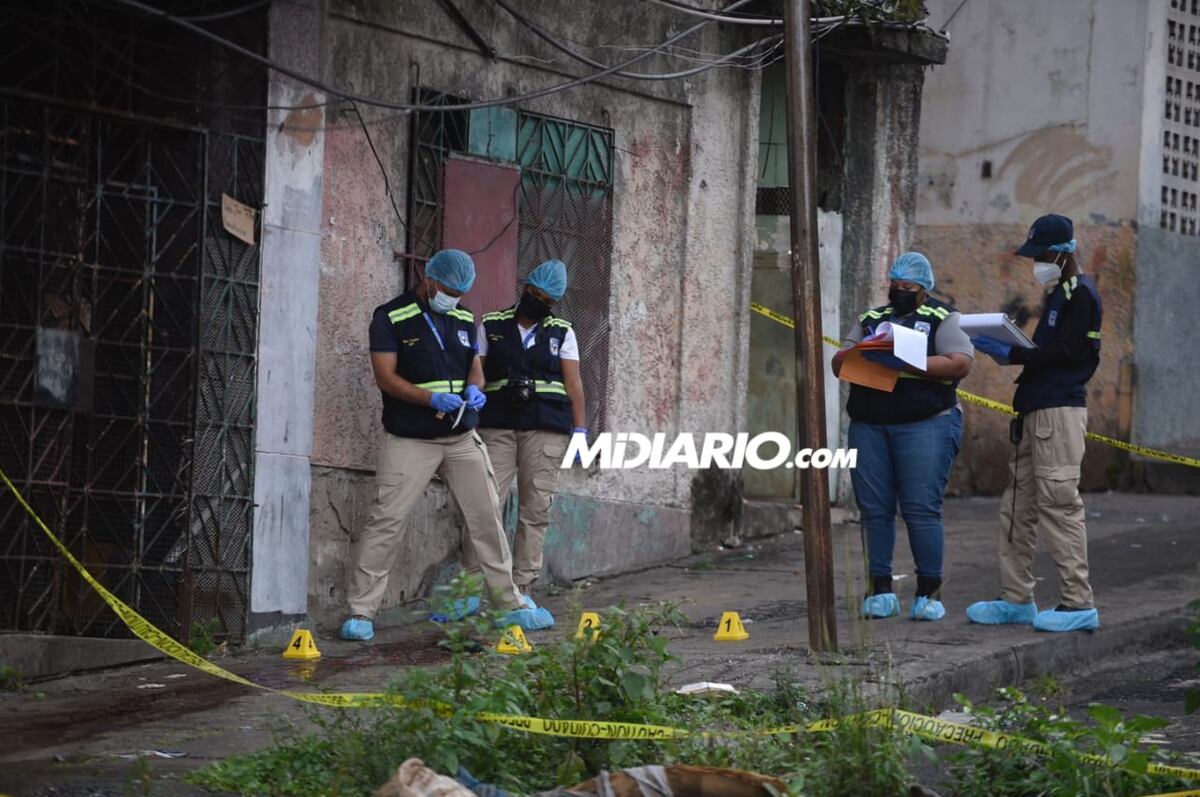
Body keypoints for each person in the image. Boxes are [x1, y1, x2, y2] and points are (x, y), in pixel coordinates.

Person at [340, 249, 553, 641]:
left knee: (488, 517)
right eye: (450, 290)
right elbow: (385, 377)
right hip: (410, 438)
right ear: (430, 280)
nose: (454, 297)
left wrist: (475, 388)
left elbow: (474, 364)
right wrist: (430, 398)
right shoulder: (390, 317)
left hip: (460, 438)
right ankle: (361, 612)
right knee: (386, 521)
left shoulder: (461, 317)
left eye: (461, 292)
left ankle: (509, 605)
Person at [967, 214, 1102, 633]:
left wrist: (1014, 354)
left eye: (1041, 255)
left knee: (1059, 503)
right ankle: (1015, 597)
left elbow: (1066, 354)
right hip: (1035, 411)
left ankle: (1078, 602)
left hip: (1058, 413)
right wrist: (1014, 350)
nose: (1035, 263)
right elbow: (1047, 350)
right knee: (1015, 508)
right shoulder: (1058, 293)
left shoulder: (1081, 296)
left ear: (1062, 253)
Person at [832, 252, 974, 622]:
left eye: (908, 287)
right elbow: (839, 360)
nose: (900, 291)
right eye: (895, 285)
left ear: (924, 288)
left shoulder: (943, 318)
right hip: (870, 424)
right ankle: (880, 590)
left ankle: (929, 592)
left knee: (920, 509)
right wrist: (864, 353)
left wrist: (911, 361)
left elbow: (960, 362)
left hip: (926, 423)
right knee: (874, 511)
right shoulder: (873, 319)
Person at [464, 259, 587, 594]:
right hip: (498, 425)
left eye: (548, 301)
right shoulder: (492, 324)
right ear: (525, 288)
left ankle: (521, 589)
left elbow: (574, 384)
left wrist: (580, 431)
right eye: (535, 295)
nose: (539, 304)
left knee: (535, 509)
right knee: (485, 505)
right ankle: (470, 589)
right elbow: (478, 371)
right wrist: (472, 394)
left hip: (546, 428)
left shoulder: (562, 331)